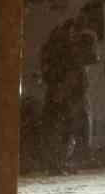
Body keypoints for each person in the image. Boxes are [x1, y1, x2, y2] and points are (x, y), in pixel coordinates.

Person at [39, 10, 98, 174]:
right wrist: (62, 88)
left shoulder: (59, 42)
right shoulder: (70, 43)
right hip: (68, 91)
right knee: (72, 126)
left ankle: (60, 162)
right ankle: (64, 162)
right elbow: (80, 65)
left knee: (64, 127)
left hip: (63, 89)